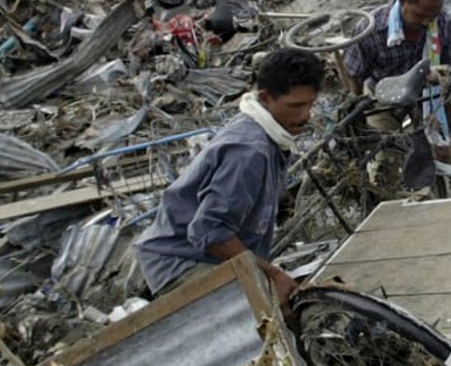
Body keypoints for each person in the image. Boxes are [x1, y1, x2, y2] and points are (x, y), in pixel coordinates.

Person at [134, 49, 324, 302]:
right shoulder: (248, 152)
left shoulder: (269, 133)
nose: (306, 116)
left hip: (201, 252)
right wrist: (272, 275)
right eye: (296, 106)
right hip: (182, 260)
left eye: (310, 104)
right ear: (266, 98)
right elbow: (209, 231)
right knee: (260, 317)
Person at [343, 0, 451, 98]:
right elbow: (355, 74)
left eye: (434, 16)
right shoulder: (370, 30)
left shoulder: (447, 25)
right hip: (384, 95)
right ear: (403, 1)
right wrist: (358, 104)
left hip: (429, 94)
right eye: (420, 15)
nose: (427, 22)